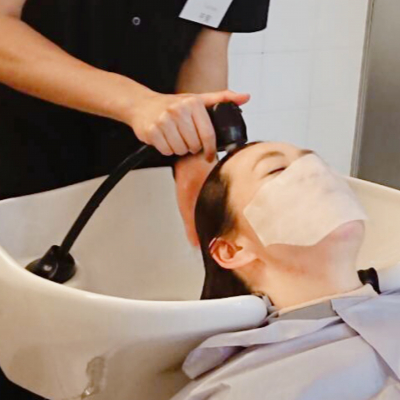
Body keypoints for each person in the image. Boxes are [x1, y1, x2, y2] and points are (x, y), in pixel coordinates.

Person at [0, 1, 271, 399]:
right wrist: (135, 102)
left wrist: (195, 155)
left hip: (138, 163)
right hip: (21, 158)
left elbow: (205, 48)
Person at [171, 142, 400, 400]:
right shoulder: (238, 388)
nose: (315, 172)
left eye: (321, 164)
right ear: (232, 250)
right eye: (276, 169)